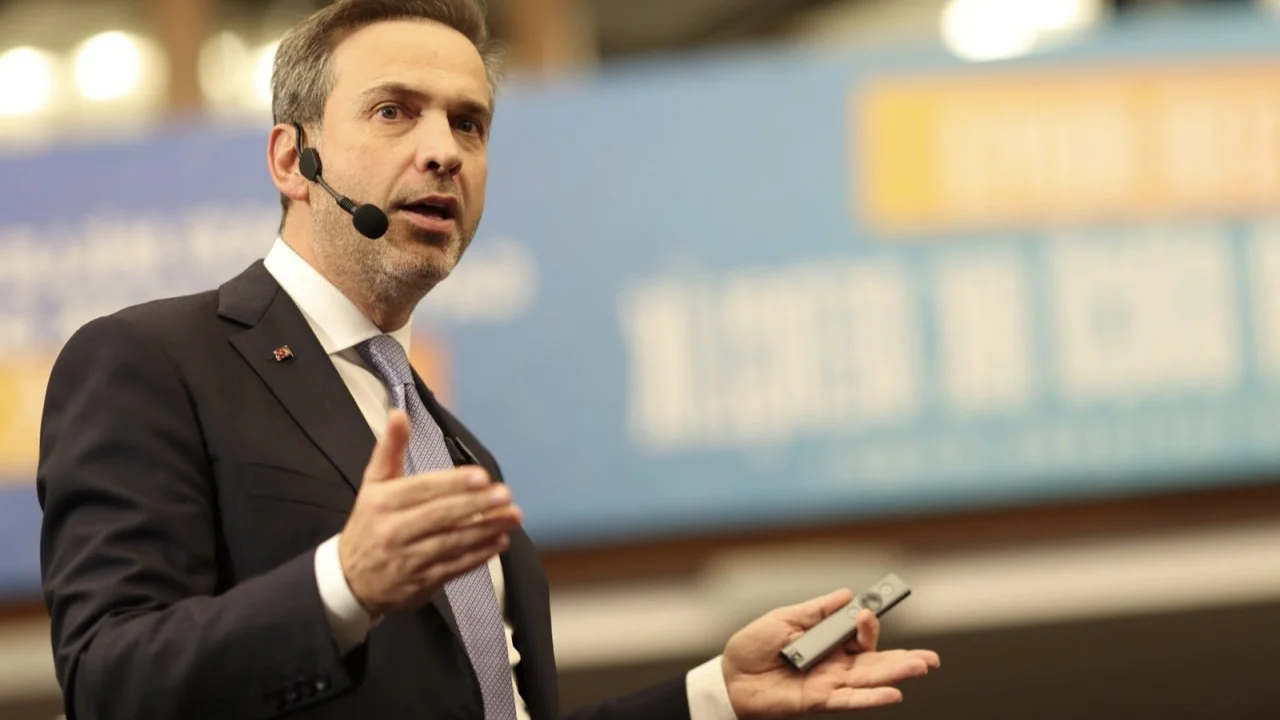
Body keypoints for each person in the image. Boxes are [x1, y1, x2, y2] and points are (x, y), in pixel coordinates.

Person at [36, 1, 940, 718]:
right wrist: (342, 587)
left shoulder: (453, 446)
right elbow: (112, 680)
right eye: (393, 111)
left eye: (469, 125)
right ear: (290, 159)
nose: (443, 152)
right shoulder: (154, 362)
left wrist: (714, 698)